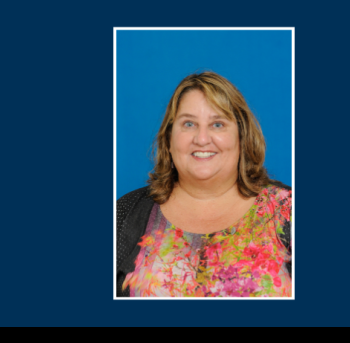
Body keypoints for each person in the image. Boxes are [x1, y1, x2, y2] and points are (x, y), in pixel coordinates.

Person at [116, 72, 292, 297]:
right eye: (188, 124)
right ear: (169, 139)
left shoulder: (287, 211)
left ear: (242, 137)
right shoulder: (124, 213)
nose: (201, 139)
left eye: (217, 124)